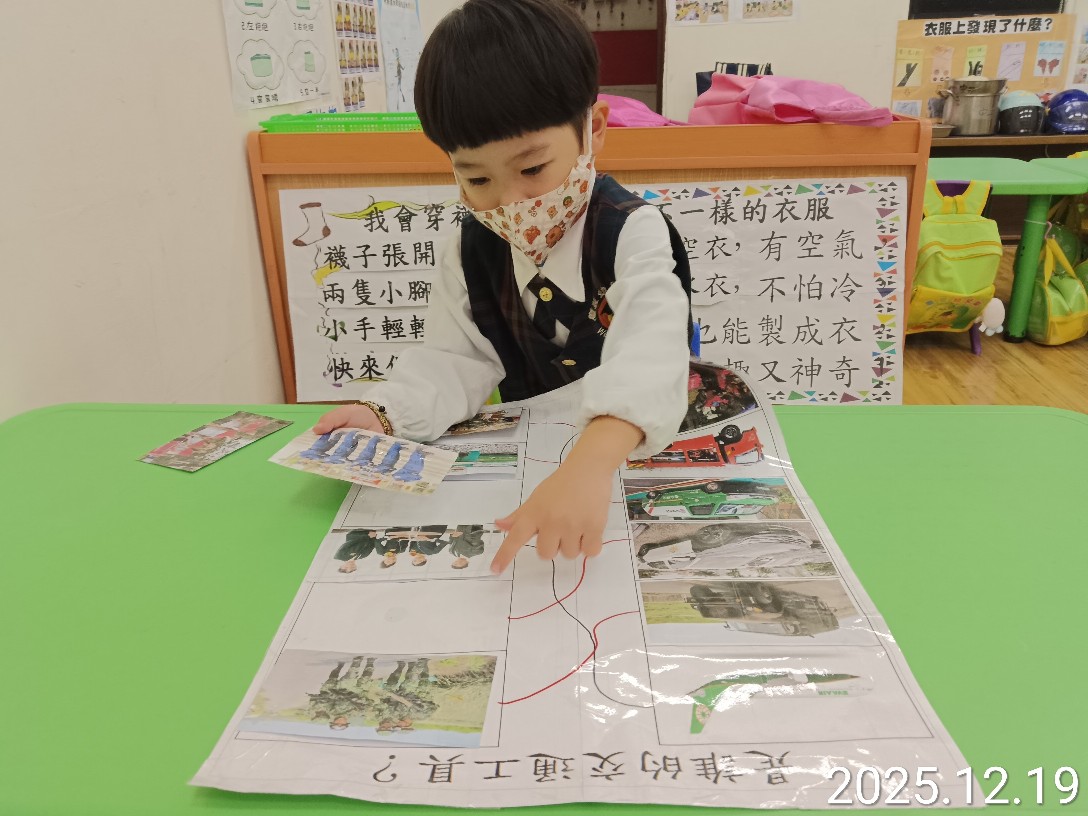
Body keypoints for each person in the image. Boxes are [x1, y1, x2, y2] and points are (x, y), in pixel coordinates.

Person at [314, 0, 692, 574]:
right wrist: (385, 412)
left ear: (593, 130)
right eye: (477, 177)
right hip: (530, 465)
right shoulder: (471, 249)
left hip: (631, 458)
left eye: (533, 168)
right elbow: (452, 361)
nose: (510, 202)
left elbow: (651, 351)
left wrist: (589, 466)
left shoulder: (631, 231)